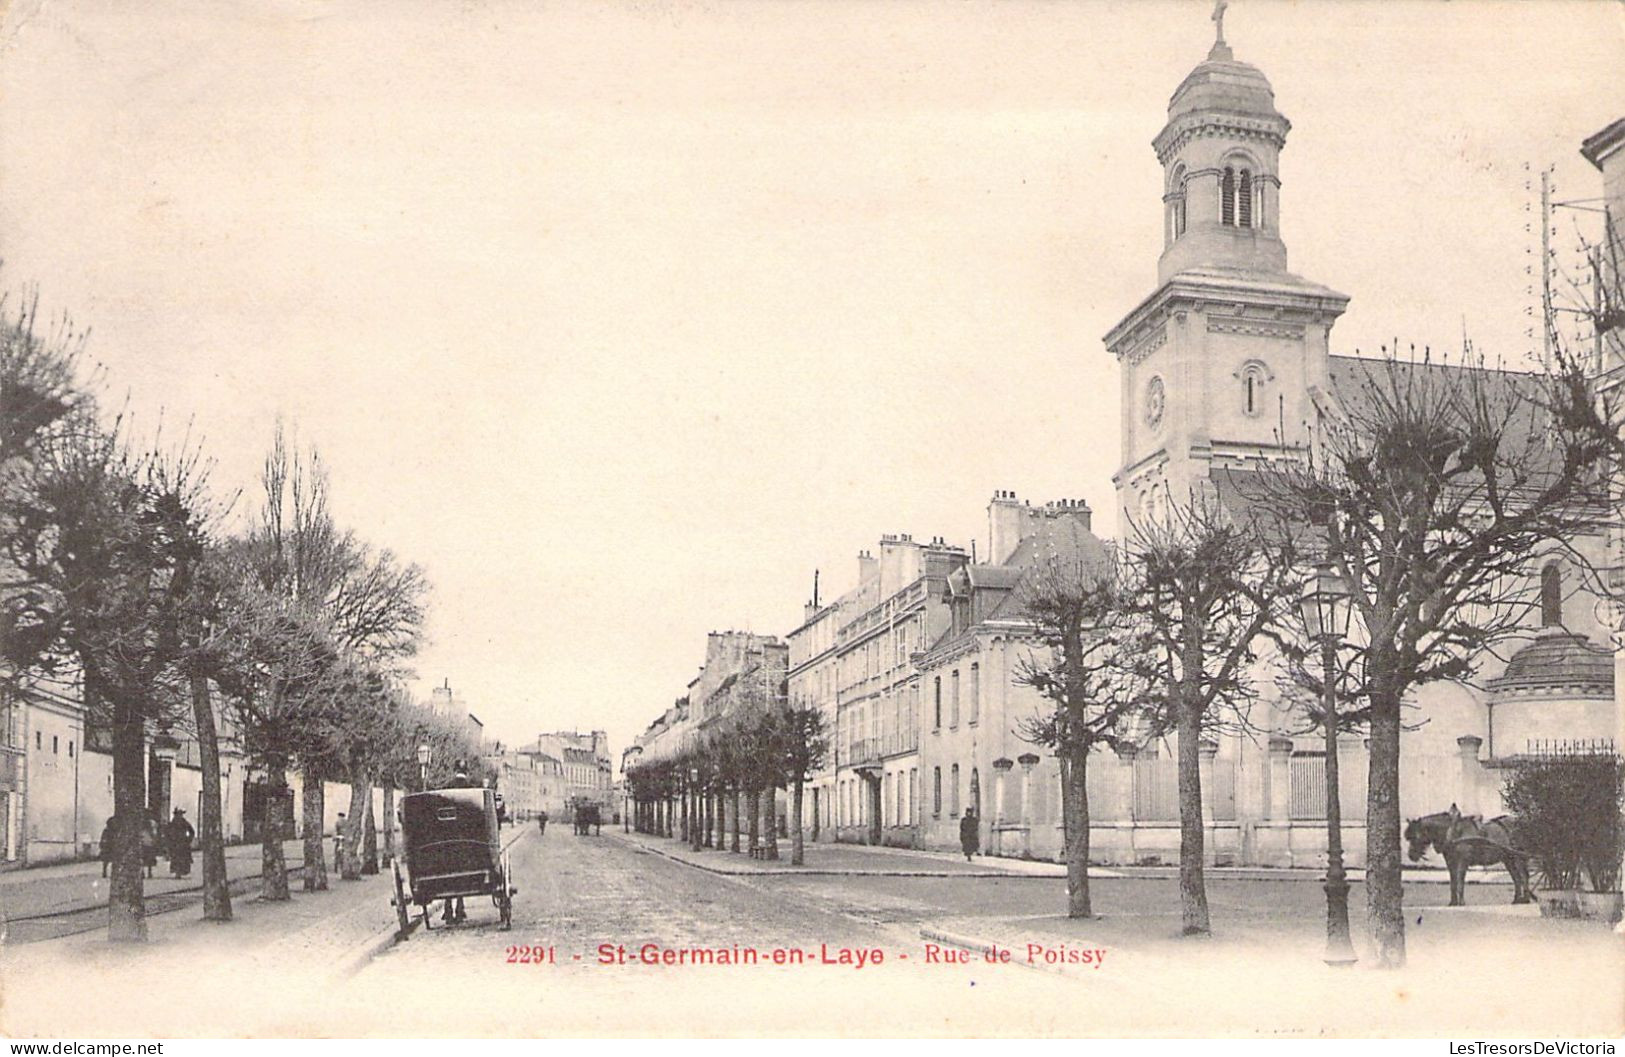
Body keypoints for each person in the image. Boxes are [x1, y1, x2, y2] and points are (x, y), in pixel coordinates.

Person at [166, 808, 195, 878]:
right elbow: (167, 832)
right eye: (178, 814)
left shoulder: (184, 822)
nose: (179, 816)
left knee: (182, 858)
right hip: (175, 843)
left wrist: (188, 839)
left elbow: (192, 831)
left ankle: (180, 872)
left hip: (182, 843)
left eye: (181, 814)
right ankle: (177, 872)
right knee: (175, 858)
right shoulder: (172, 823)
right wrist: (169, 840)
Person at [140, 810, 162, 879]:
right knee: (149, 858)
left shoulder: (140, 822)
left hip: (142, 841)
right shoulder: (152, 822)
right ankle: (149, 872)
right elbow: (154, 833)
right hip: (149, 842)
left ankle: (142, 872)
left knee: (142, 858)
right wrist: (155, 840)